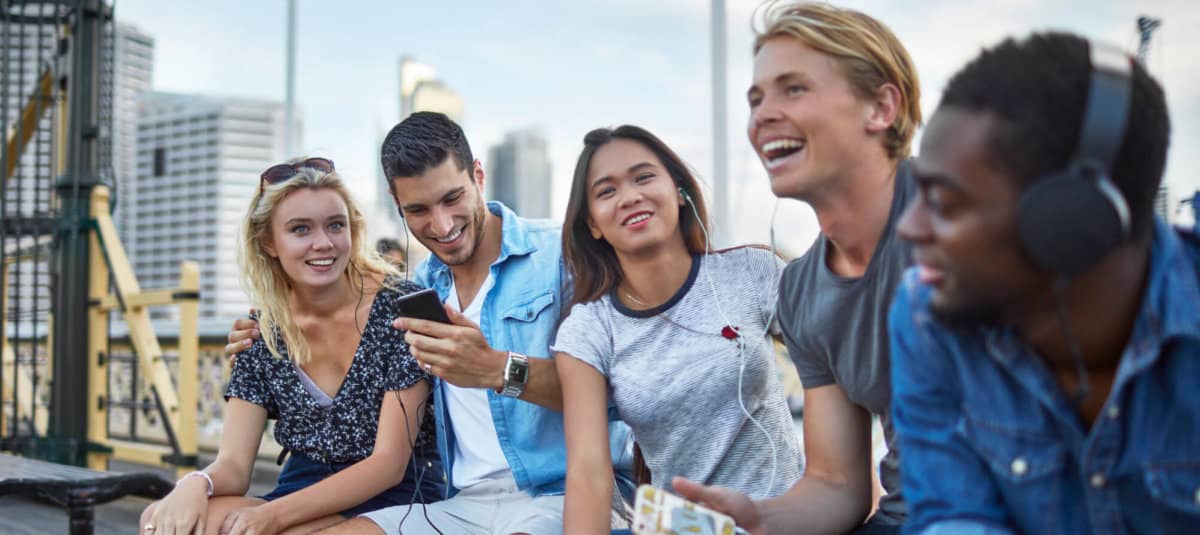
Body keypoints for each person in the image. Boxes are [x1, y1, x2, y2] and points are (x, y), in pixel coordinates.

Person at [228, 113, 632, 535]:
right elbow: (335, 296)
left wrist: (499, 370)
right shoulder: (416, 294)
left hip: (563, 493)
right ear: (395, 202)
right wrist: (265, 326)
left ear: (478, 174)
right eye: (418, 210)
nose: (441, 225)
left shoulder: (563, 257)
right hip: (460, 504)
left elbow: (625, 395)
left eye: (452, 198)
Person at [890, 32, 1196, 533]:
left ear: (1069, 225)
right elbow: (953, 515)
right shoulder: (925, 313)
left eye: (943, 203)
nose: (910, 227)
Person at [675, 3, 921, 534]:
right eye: (756, 98)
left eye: (793, 89)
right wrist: (760, 518)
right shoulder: (803, 292)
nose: (762, 115)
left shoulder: (980, 212)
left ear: (880, 107)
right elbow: (837, 485)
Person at [141, 158, 442, 535]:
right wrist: (193, 484)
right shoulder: (260, 333)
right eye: (300, 229)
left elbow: (388, 464)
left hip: (398, 496)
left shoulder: (400, 310)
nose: (324, 243)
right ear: (269, 242)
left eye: (336, 225)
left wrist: (273, 518)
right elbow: (233, 467)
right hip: (301, 490)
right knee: (159, 520)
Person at [552, 126, 804, 533]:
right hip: (687, 527)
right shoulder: (588, 330)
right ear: (593, 224)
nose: (630, 196)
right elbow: (588, 474)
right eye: (606, 191)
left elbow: (842, 370)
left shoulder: (755, 272)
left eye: (644, 177)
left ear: (679, 190)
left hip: (785, 516)